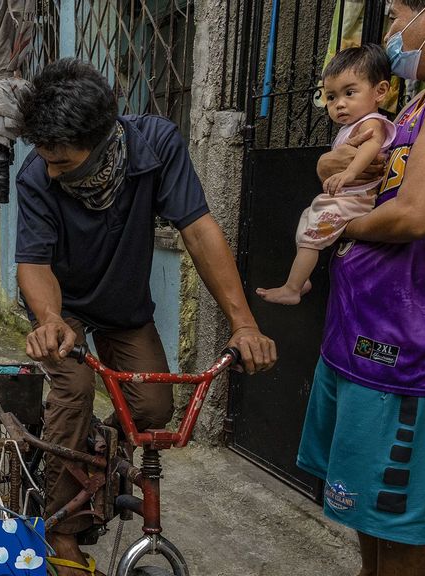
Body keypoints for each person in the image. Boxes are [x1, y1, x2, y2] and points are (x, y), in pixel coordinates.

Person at [14, 58, 277, 575]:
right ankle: (61, 533)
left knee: (153, 410)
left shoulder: (156, 146)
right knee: (70, 392)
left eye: (62, 162)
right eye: (44, 159)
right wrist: (48, 318)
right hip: (60, 307)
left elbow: (199, 231)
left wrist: (243, 322)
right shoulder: (35, 177)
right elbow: (33, 262)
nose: (50, 170)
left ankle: (95, 455)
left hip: (121, 305)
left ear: (101, 140)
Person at [297, 1, 425, 574]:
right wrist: (333, 165)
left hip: (415, 348)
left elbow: (418, 213)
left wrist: (340, 227)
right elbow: (338, 166)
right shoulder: (424, 94)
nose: (389, 32)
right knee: (370, 514)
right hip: (368, 332)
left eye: (396, 15)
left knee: (398, 520)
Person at [257, 45, 396, 305]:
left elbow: (371, 146)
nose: (339, 104)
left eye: (350, 92)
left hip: (358, 199)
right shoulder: (351, 125)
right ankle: (303, 277)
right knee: (306, 219)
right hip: (346, 197)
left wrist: (349, 173)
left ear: (380, 91)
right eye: (331, 97)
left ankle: (292, 287)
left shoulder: (371, 122)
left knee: (312, 233)